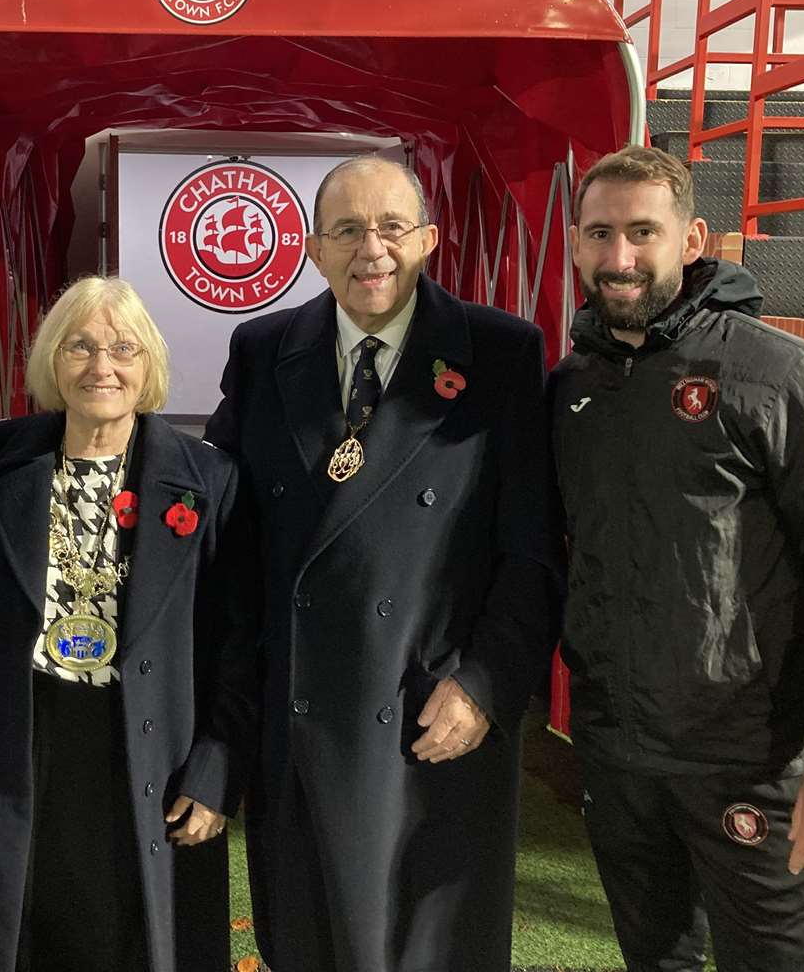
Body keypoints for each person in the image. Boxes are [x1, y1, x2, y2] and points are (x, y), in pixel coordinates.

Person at [551, 144, 804, 972]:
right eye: (600, 234)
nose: (620, 257)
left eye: (644, 231)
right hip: (620, 757)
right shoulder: (573, 388)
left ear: (693, 238)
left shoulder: (784, 375)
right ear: (575, 245)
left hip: (751, 763)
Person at [203, 155, 565, 971]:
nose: (373, 249)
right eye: (348, 230)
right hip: (298, 710)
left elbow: (532, 549)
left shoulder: (500, 354)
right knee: (307, 940)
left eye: (392, 227)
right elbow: (225, 519)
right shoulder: (263, 349)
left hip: (428, 715)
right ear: (311, 249)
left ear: (428, 240)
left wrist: (485, 683)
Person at [0, 276, 251, 972]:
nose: (101, 365)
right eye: (80, 346)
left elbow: (238, 646)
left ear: (149, 366)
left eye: (122, 347)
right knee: (21, 934)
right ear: (53, 358)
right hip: (23, 740)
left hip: (154, 750)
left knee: (140, 939)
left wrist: (215, 771)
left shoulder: (210, 479)